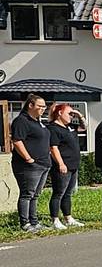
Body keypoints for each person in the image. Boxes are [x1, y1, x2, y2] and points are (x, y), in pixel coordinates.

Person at [10, 94, 51, 232]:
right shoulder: (22, 121)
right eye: (40, 106)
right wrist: (28, 158)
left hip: (43, 164)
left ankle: (34, 221)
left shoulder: (38, 122)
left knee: (36, 195)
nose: (42, 109)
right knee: (27, 194)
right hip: (29, 166)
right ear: (30, 105)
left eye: (44, 106)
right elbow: (17, 140)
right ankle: (25, 223)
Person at [47, 103, 84, 230]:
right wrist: (61, 163)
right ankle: (55, 219)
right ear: (59, 113)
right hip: (63, 165)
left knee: (68, 193)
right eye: (69, 113)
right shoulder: (53, 128)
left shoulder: (70, 127)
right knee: (59, 193)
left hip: (73, 165)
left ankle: (68, 217)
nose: (71, 116)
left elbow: (84, 127)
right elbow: (53, 147)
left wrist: (79, 116)